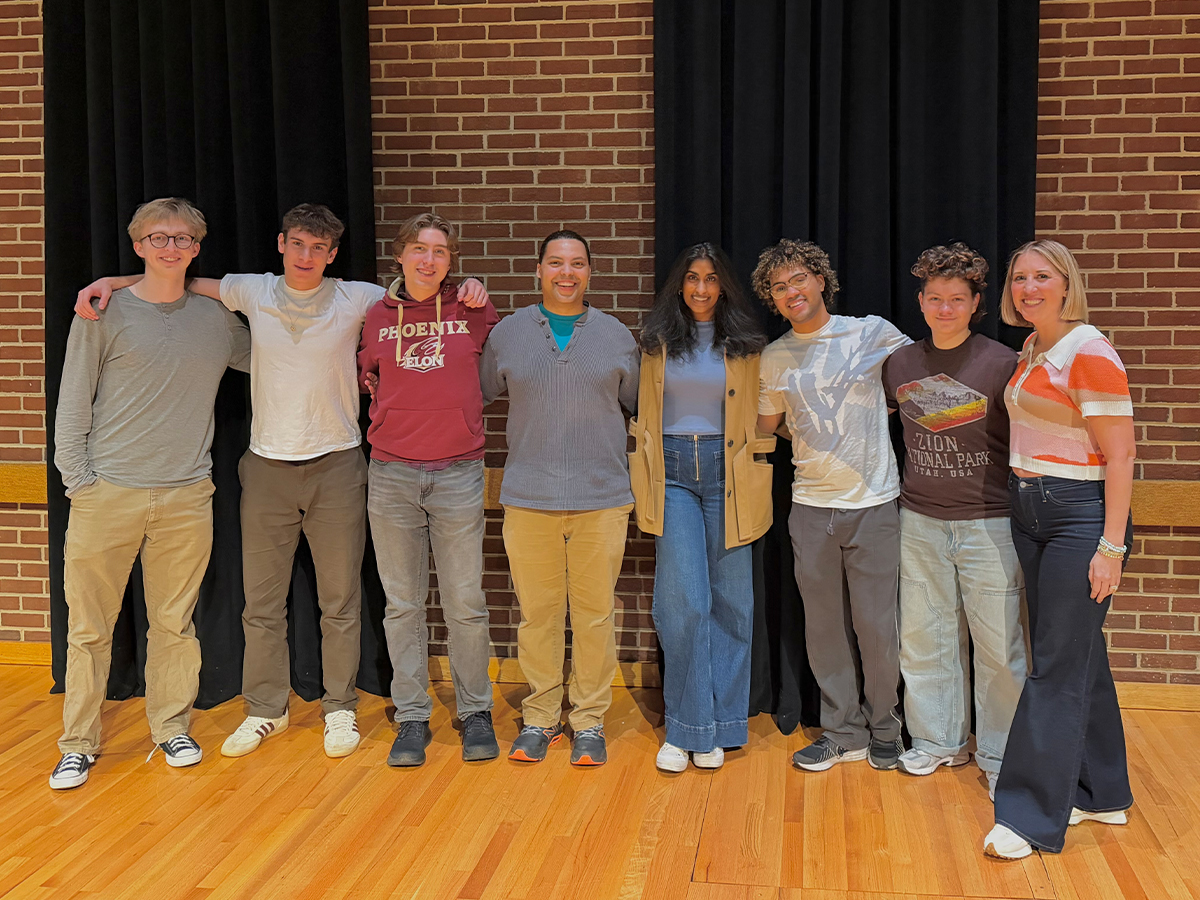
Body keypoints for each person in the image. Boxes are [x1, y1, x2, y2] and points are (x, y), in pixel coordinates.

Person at [73, 205, 490, 760]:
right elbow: (177, 276)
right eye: (298, 244)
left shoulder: (361, 298)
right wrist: (113, 280)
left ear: (333, 254)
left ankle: (340, 708)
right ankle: (264, 709)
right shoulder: (252, 291)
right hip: (266, 466)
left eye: (319, 248)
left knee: (340, 600)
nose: (306, 256)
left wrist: (470, 285)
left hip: (339, 465)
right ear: (280, 244)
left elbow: (420, 287)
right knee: (261, 603)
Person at [51, 198, 251, 789]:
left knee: (174, 623)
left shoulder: (216, 321)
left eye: (184, 239)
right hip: (105, 493)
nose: (172, 248)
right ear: (138, 245)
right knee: (89, 629)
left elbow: (279, 357)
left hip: (186, 496)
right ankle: (77, 743)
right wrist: (78, 483)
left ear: (197, 248)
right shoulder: (102, 313)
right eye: (159, 238)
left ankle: (171, 726)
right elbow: (72, 403)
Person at [983, 240, 1136, 860]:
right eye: (1020, 277)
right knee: (1077, 655)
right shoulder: (1035, 347)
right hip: (1031, 509)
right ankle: (1102, 793)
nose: (1028, 287)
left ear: (1067, 284)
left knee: (1052, 666)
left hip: (1079, 515)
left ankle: (1028, 815)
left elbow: (1121, 454)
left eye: (1042, 276)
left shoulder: (1089, 350)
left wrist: (1111, 546)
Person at [479, 230, 640, 767]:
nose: (566, 273)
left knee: (594, 615)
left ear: (589, 273)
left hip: (602, 499)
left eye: (576, 264)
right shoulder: (508, 334)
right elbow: (472, 397)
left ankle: (589, 720)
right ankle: (541, 718)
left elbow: (641, 406)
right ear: (539, 270)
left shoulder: (616, 336)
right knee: (539, 616)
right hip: (528, 499)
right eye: (555, 263)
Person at [755, 239, 912, 772]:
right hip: (810, 507)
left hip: (874, 503)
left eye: (799, 278)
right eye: (779, 287)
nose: (791, 291)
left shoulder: (871, 332)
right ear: (772, 299)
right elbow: (766, 427)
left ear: (821, 280)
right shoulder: (774, 358)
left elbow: (916, 382)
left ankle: (886, 727)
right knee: (823, 628)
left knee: (876, 625)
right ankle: (844, 732)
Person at [881, 243, 1026, 798]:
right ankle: (938, 741)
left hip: (989, 522)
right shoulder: (901, 364)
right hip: (917, 518)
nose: (945, 309)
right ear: (920, 302)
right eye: (935, 299)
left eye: (956, 300)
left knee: (998, 646)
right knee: (925, 638)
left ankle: (999, 754)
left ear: (974, 305)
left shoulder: (1002, 363)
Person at [357, 213, 500, 767]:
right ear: (399, 256)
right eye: (419, 248)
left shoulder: (473, 309)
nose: (428, 259)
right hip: (391, 473)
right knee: (403, 604)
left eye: (440, 251)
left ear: (451, 262)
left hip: (458, 472)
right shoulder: (375, 316)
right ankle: (412, 716)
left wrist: (477, 293)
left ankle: (475, 711)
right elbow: (367, 377)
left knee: (465, 602)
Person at [629, 242, 772, 772]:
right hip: (672, 474)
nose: (702, 288)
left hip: (729, 473)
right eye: (692, 278)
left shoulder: (749, 345)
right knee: (682, 600)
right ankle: (687, 726)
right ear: (679, 285)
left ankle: (724, 724)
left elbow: (767, 409)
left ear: (724, 286)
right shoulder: (654, 342)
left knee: (733, 601)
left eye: (712, 278)